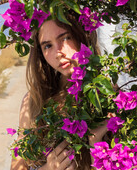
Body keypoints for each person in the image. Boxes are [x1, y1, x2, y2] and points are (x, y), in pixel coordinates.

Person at [11, 13, 108, 170]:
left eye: (65, 38)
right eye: (47, 46)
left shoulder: (108, 96)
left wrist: (95, 145)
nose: (58, 53)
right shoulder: (33, 100)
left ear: (81, 36)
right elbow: (17, 166)